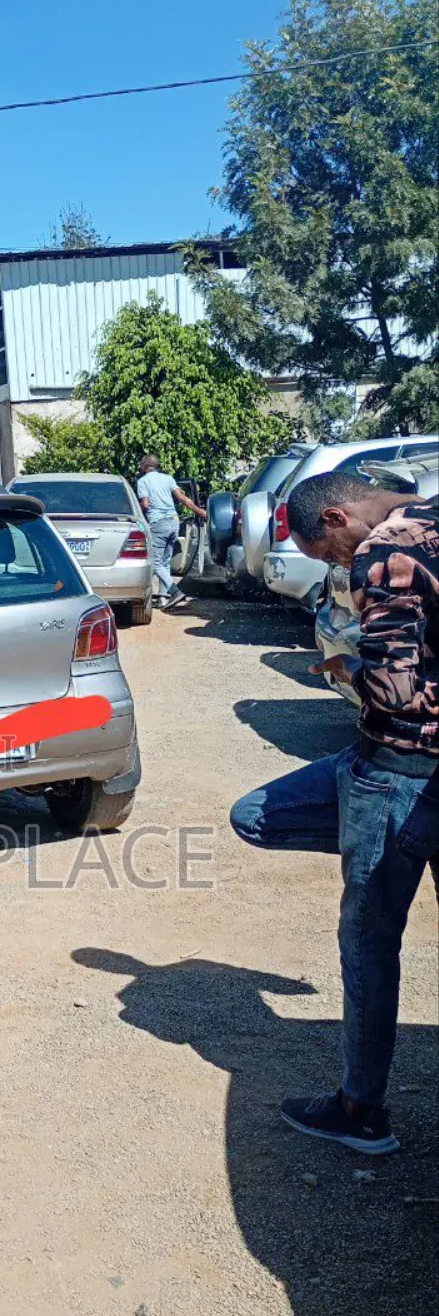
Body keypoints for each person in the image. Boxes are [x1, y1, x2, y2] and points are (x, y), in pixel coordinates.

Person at [230, 471, 438, 1154]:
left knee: (369, 946)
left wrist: (348, 671)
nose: (338, 568)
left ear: (339, 518)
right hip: (401, 778)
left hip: (397, 771)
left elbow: (395, 691)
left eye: (330, 555)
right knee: (257, 813)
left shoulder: (385, 556)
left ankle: (361, 1111)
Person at [136, 454, 207, 609]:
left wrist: (135, 512)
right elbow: (182, 498)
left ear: (147, 465)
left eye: (141, 464)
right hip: (174, 522)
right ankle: (164, 598)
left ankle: (175, 591)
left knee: (155, 563)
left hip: (158, 522)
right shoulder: (168, 479)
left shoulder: (142, 482)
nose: (140, 467)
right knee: (165, 562)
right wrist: (199, 511)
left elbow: (146, 504)